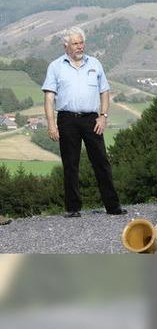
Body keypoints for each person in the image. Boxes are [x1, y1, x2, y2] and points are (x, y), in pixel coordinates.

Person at [42, 27, 126, 218]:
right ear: (66, 46)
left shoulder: (95, 63)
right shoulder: (55, 67)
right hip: (67, 119)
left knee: (101, 162)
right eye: (75, 44)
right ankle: (73, 209)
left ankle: (113, 207)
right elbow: (49, 98)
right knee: (71, 164)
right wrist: (51, 124)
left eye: (81, 43)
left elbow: (105, 91)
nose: (80, 47)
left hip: (91, 119)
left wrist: (103, 116)